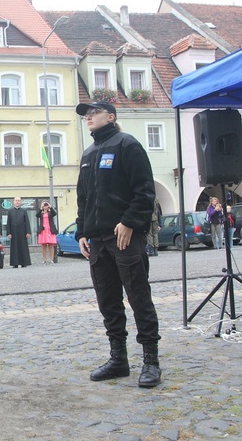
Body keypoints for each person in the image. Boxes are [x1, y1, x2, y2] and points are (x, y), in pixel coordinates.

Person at [74, 101, 161, 388]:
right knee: (108, 302)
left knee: (139, 298)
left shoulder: (127, 145)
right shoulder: (88, 154)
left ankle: (151, 361)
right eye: (86, 114)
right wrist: (82, 232)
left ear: (110, 116)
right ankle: (118, 359)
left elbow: (145, 191)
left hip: (124, 238)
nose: (88, 117)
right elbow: (84, 198)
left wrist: (129, 222)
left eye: (93, 112)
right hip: (97, 241)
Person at [7, 197, 32, 268]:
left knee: (23, 247)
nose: (17, 202)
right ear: (13, 202)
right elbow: (8, 222)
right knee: (14, 248)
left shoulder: (24, 211)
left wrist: (28, 232)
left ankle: (24, 262)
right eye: (16, 200)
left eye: (18, 201)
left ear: (20, 202)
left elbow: (27, 222)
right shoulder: (10, 211)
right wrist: (8, 233)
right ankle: (15, 263)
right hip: (13, 232)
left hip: (22, 232)